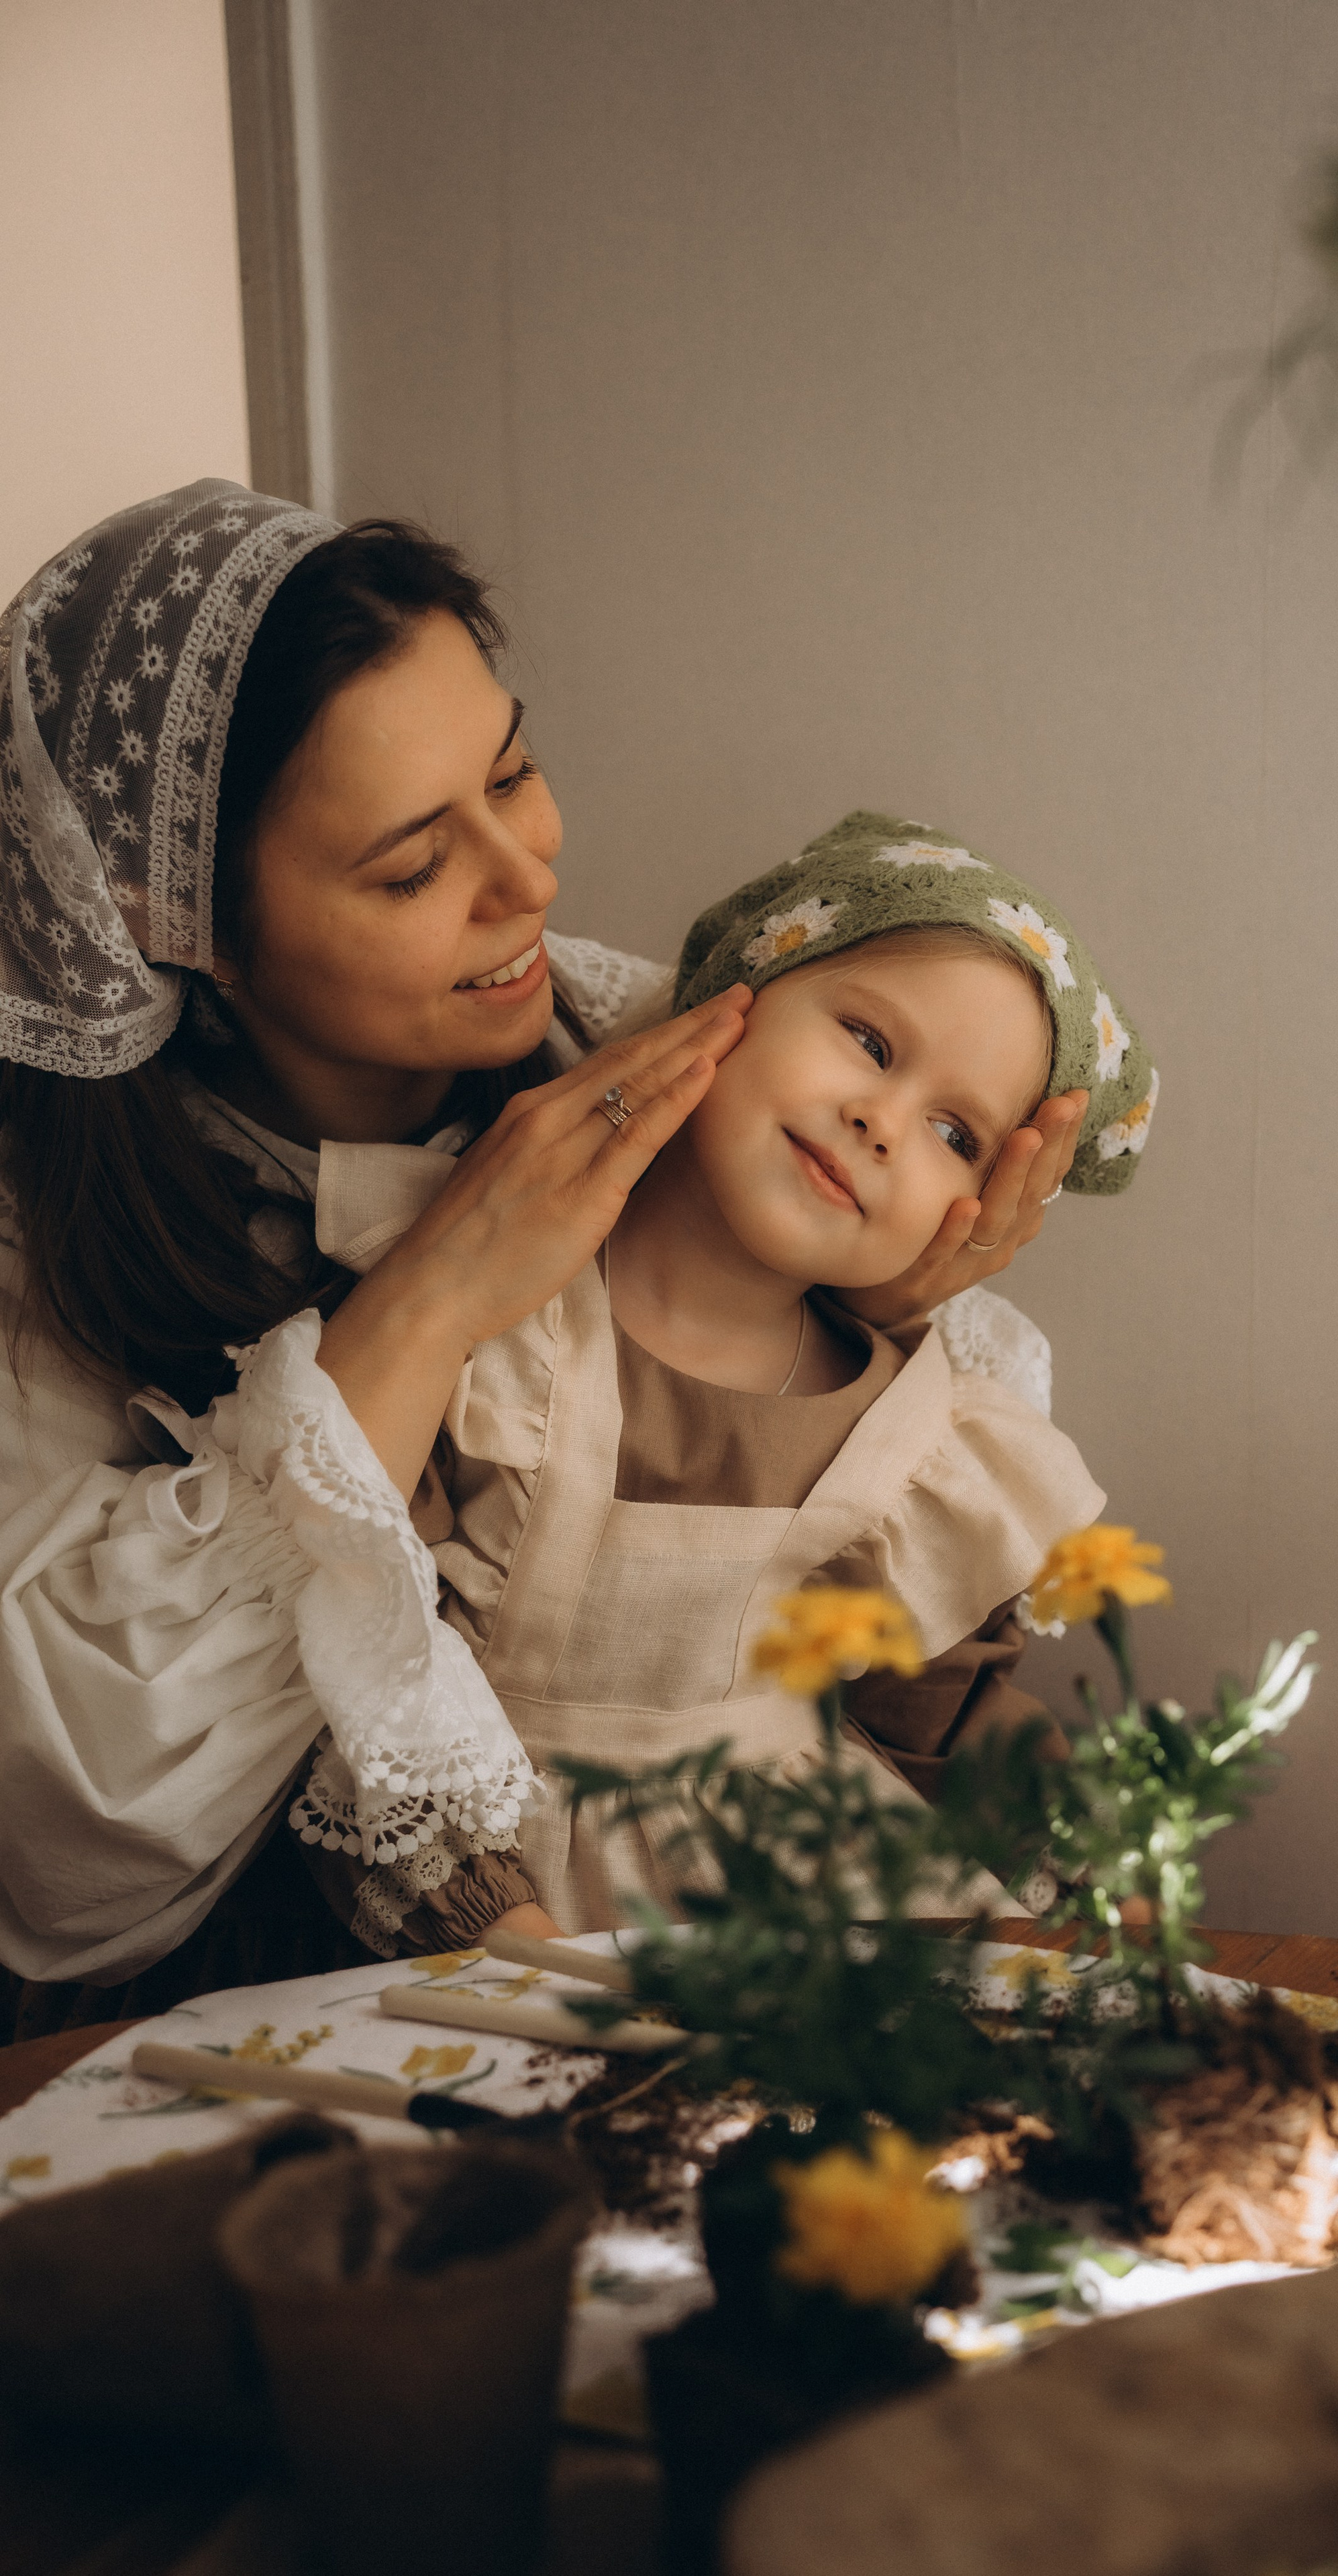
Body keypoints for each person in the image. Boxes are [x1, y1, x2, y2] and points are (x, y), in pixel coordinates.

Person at [0, 483, 1086, 2038]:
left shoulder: (648, 1051)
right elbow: (69, 1850)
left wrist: (858, 1316)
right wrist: (435, 1298)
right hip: (314, 2010)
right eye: (409, 868)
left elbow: (848, 1550)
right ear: (175, 924)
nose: (527, 878)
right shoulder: (49, 1243)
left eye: (515, 769)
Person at [308, 811, 1159, 1927]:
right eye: (868, 1041)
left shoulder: (912, 1432)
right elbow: (365, 1654)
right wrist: (503, 1943)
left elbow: (941, 1716)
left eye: (957, 1135)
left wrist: (1102, 1881)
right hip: (513, 1894)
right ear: (732, 993)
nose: (881, 1122)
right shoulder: (491, 1309)